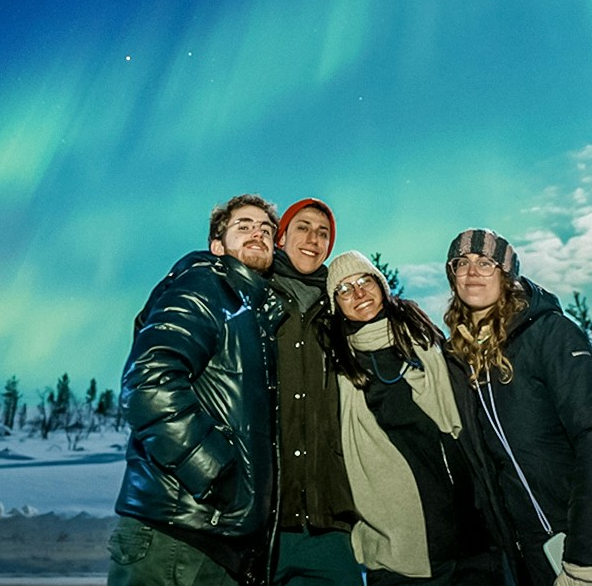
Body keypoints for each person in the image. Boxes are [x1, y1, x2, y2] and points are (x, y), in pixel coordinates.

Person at [442, 229, 592, 586]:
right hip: (536, 561)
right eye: (461, 263)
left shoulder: (550, 335)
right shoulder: (462, 362)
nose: (472, 270)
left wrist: (586, 561)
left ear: (506, 275)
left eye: (486, 262)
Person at [109, 194, 288, 586]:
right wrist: (215, 472)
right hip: (174, 532)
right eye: (244, 226)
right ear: (217, 245)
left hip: (217, 540)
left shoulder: (253, 315)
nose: (257, 233)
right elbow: (147, 382)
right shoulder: (204, 285)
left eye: (266, 229)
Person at [323, 249, 497, 586]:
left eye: (364, 281)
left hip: (471, 534)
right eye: (344, 289)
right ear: (335, 305)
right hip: (400, 551)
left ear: (381, 286)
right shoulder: (339, 368)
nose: (358, 293)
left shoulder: (425, 341)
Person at [269, 199, 359, 585]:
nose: (313, 239)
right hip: (265, 518)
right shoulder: (253, 296)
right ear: (282, 236)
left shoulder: (340, 309)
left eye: (323, 233)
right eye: (303, 227)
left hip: (329, 517)